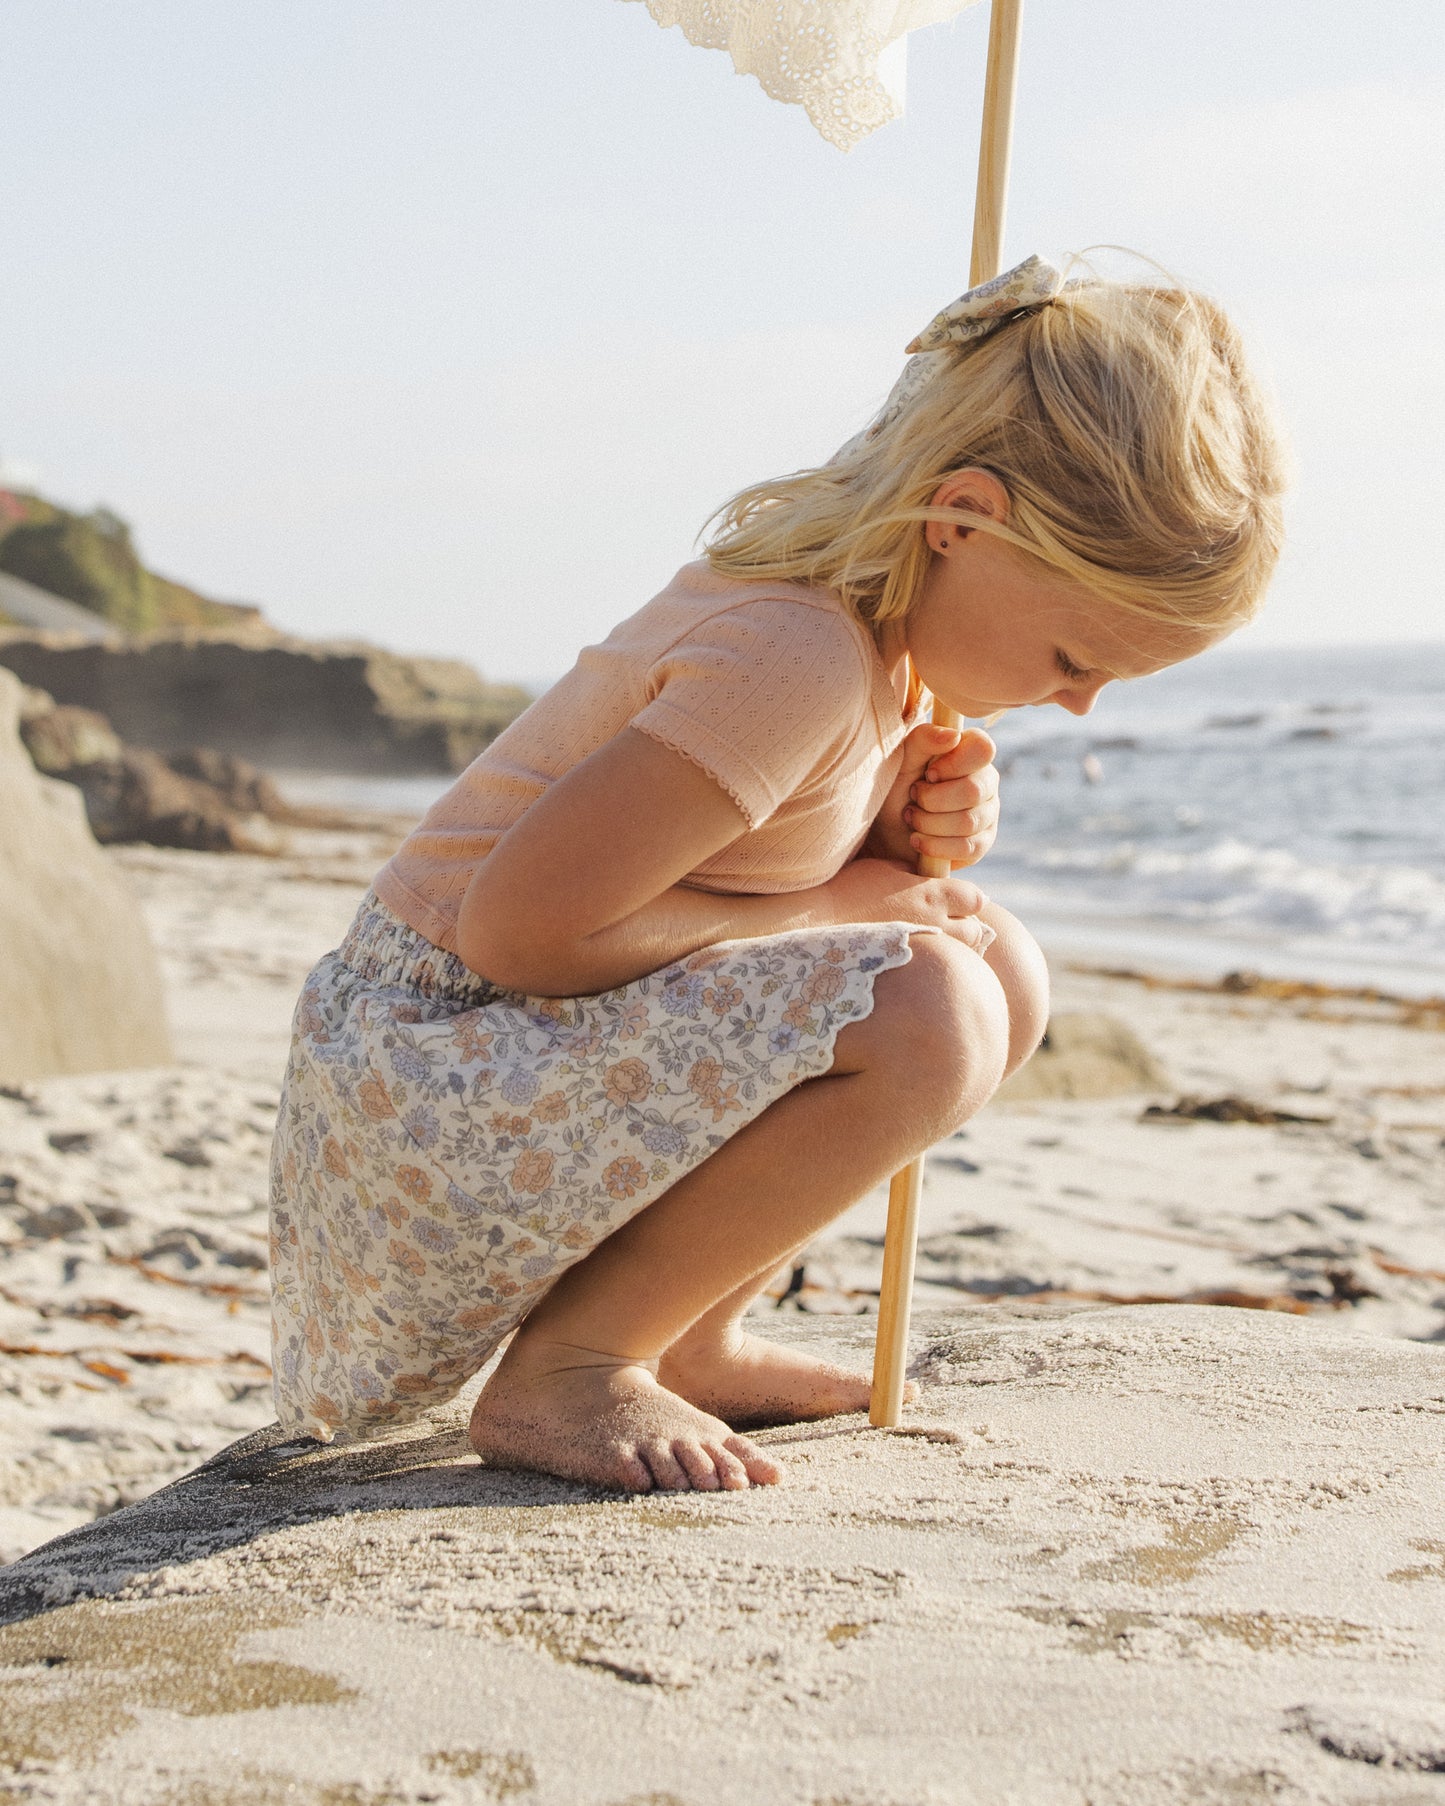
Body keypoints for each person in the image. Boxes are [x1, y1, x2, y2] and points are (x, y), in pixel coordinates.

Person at [269, 255, 1285, 1494]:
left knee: (995, 965)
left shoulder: (873, 659)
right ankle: (571, 1364)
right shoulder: (792, 655)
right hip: (428, 1069)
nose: (1076, 704)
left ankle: (685, 1337)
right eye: (1075, 655)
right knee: (933, 1006)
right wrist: (857, 902)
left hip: (510, 1055)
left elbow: (740, 903)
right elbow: (518, 930)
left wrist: (896, 842)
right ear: (961, 520)